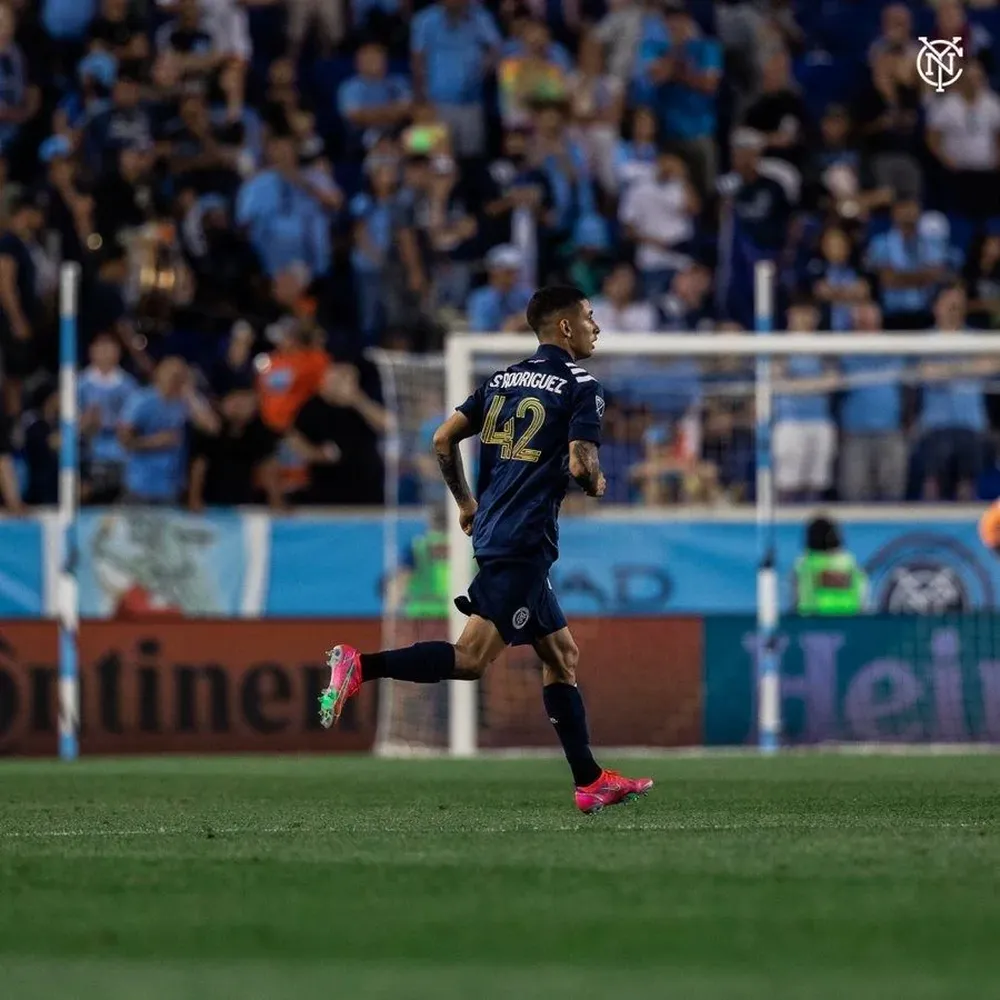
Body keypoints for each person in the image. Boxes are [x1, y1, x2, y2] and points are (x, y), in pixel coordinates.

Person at [319, 286, 653, 813]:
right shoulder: (582, 385)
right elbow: (582, 464)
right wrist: (595, 483)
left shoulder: (500, 381)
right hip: (524, 541)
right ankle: (361, 665)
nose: (597, 327)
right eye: (590, 318)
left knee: (562, 655)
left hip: (498, 530)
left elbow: (441, 439)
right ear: (565, 327)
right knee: (472, 659)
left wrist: (465, 502)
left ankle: (590, 781)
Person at [793, 515, 869, 616]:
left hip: (813, 620)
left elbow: (795, 599)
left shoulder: (804, 565)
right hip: (850, 619)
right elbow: (863, 598)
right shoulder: (850, 563)